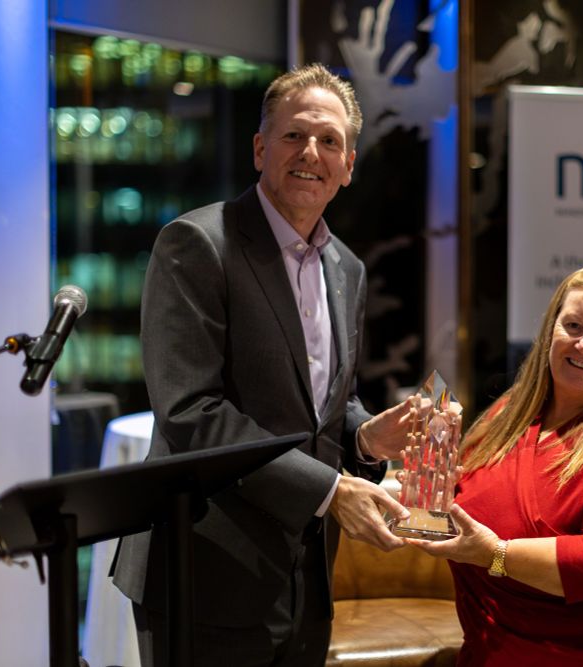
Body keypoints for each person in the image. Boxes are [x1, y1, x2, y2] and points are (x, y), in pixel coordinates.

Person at [112, 63, 414, 667]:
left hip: (303, 579)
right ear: (259, 148)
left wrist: (365, 434)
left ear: (348, 165)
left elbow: (321, 404)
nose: (311, 152)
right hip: (204, 572)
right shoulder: (196, 244)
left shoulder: (346, 269)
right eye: (294, 135)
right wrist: (329, 489)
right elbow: (191, 412)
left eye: (330, 141)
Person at [409, 263, 583, 666]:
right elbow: (466, 505)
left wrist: (496, 554)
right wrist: (422, 494)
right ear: (550, 333)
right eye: (574, 326)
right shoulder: (510, 413)